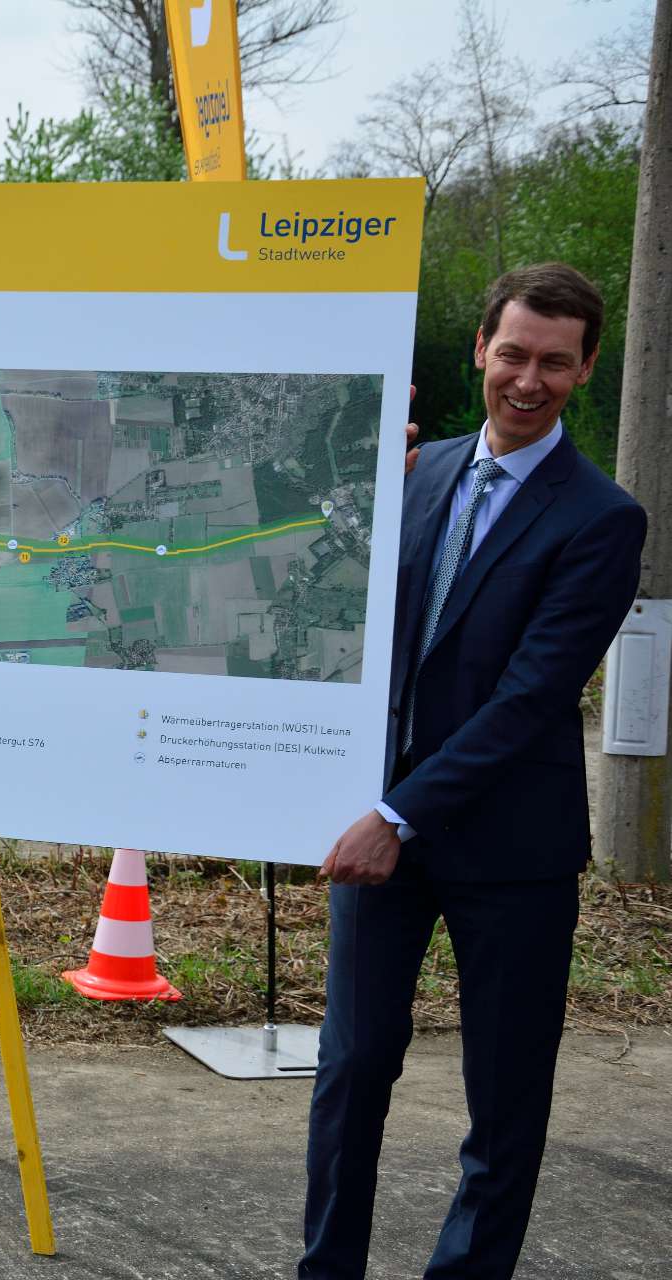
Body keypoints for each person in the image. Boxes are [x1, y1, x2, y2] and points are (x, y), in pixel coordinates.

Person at [300, 262, 647, 1278]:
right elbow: (337, 615)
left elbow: (529, 697)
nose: (527, 380)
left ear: (585, 368)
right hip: (379, 827)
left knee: (502, 1095)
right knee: (350, 1068)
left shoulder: (602, 517)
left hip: (507, 850)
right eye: (512, 354)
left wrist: (395, 815)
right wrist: (346, 499)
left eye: (553, 362)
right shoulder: (416, 472)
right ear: (479, 350)